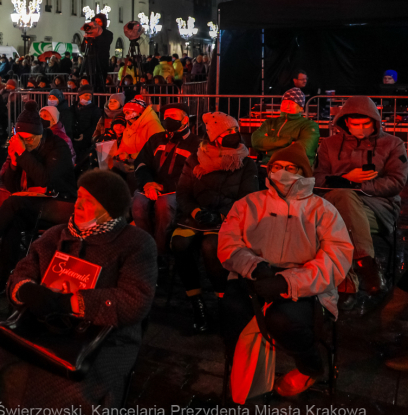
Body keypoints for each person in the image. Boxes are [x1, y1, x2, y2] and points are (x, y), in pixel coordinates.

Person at [0, 170, 156, 415]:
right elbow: (23, 271)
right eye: (79, 197)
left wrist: (72, 303)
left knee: (70, 387)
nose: (78, 205)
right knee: (2, 359)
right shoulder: (56, 235)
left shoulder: (136, 244)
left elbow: (135, 300)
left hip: (104, 339)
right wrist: (27, 289)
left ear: (108, 209)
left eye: (88, 201)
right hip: (44, 328)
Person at [217, 143, 353, 397]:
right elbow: (228, 241)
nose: (283, 172)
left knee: (285, 321)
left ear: (304, 173)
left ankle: (310, 366)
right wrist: (254, 267)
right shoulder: (249, 204)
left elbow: (336, 258)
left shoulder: (322, 210)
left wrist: (287, 282)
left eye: (291, 168)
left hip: (306, 284)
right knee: (231, 311)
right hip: (253, 276)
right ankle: (243, 369)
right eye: (278, 167)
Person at [0, 101, 76, 292]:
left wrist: (23, 154)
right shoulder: (23, 148)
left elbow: (46, 180)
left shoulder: (57, 146)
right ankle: (5, 277)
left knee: (13, 203)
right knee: (12, 222)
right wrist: (15, 164)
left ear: (39, 135)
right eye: (22, 140)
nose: (26, 144)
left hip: (59, 202)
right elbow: (12, 185)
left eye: (29, 140)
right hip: (31, 202)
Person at [314, 96, 408, 297]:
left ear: (375, 121)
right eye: (356, 124)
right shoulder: (329, 144)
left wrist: (357, 184)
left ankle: (346, 282)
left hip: (378, 206)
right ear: (346, 121)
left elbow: (396, 182)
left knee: (335, 217)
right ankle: (366, 264)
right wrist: (345, 179)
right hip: (335, 202)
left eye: (366, 123)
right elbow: (317, 178)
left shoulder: (393, 144)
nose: (361, 128)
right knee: (343, 200)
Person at [173, 112, 258, 332]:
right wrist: (195, 212)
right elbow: (182, 192)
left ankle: (223, 300)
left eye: (235, 130)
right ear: (214, 136)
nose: (234, 134)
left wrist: (220, 215)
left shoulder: (245, 163)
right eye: (227, 131)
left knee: (211, 246)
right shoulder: (195, 159)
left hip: (229, 218)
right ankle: (196, 302)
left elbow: (247, 198)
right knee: (179, 244)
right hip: (196, 217)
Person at [130, 103, 201, 259]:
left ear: (185, 120)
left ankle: (161, 252)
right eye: (166, 117)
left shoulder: (196, 144)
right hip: (150, 185)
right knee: (138, 203)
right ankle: (145, 246)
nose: (167, 119)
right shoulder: (156, 139)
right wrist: (147, 183)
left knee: (164, 205)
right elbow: (142, 163)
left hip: (178, 189)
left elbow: (192, 174)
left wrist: (164, 187)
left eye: (173, 116)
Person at [251, 88, 319, 167]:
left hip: (295, 168)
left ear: (301, 108)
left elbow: (303, 150)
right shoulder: (270, 122)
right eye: (284, 102)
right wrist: (287, 141)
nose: (287, 106)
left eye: (291, 103)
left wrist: (268, 149)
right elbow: (256, 142)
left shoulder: (309, 125)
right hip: (267, 165)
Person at [111, 95, 164, 171]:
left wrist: (130, 156)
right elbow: (123, 145)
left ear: (137, 112)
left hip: (146, 166)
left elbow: (156, 150)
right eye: (125, 113)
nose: (126, 116)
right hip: (130, 164)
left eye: (128, 112)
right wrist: (119, 154)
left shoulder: (152, 125)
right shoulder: (129, 125)